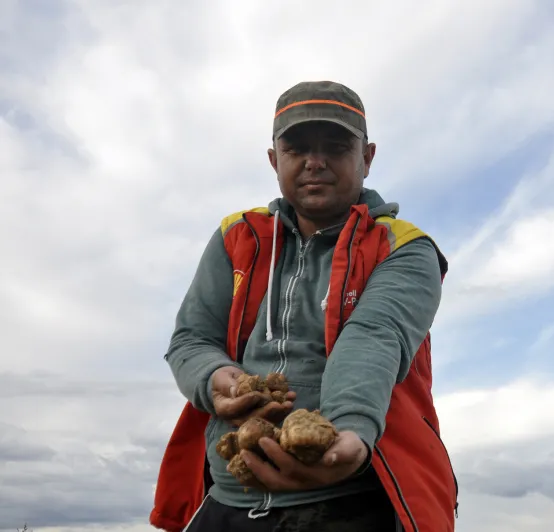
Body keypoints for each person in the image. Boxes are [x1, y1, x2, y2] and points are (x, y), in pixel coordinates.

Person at [149, 80, 458, 532]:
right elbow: (192, 338)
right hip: (228, 499)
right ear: (275, 160)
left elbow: (373, 336)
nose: (315, 162)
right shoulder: (237, 236)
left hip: (350, 498)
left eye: (336, 146)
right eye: (296, 149)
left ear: (367, 158)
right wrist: (214, 378)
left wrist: (348, 434)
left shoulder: (405, 247)